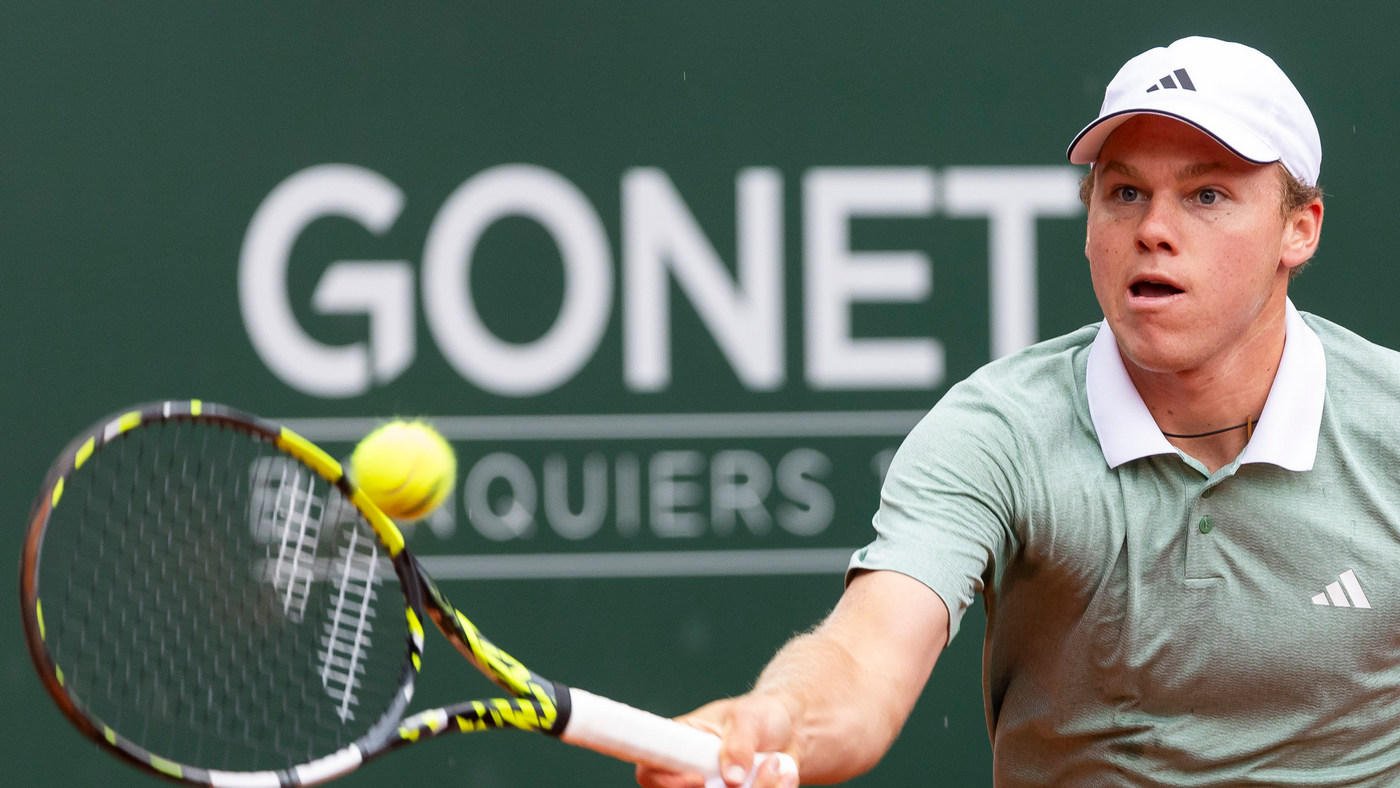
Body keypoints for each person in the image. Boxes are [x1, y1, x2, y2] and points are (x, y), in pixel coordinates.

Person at [637, 35, 1400, 787]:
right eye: (1124, 193)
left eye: (1207, 196)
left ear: (1299, 229)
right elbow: (865, 658)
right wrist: (780, 719)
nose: (1153, 231)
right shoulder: (999, 431)